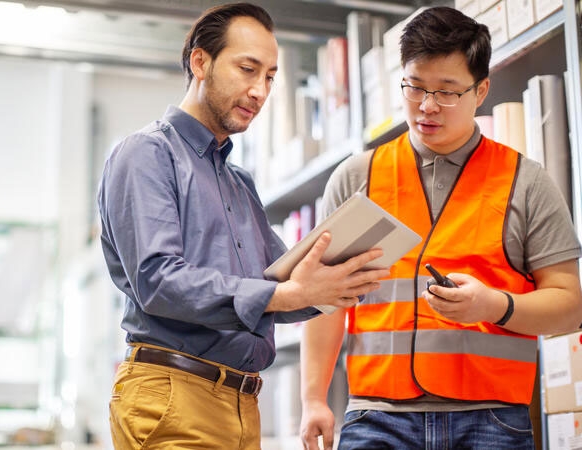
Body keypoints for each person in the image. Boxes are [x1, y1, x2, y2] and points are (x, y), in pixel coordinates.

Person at [97, 2, 390, 448]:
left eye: (270, 77)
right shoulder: (147, 154)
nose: (259, 90)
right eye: (247, 69)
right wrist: (285, 293)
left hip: (240, 402)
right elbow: (157, 280)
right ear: (201, 61)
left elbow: (275, 285)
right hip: (173, 394)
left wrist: (332, 281)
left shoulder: (238, 183)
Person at [299, 6, 582, 450]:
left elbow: (569, 305)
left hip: (491, 420)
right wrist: (313, 398)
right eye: (415, 87)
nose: (427, 106)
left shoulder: (525, 181)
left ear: (481, 90)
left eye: (447, 91)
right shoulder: (358, 178)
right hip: (377, 417)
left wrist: (495, 306)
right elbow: (322, 298)